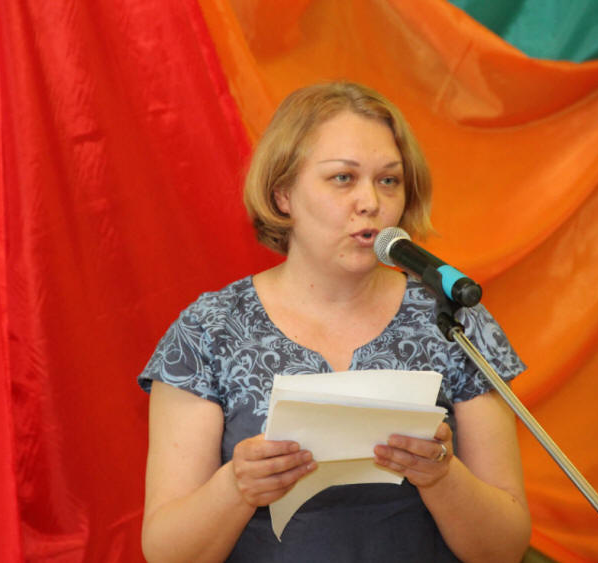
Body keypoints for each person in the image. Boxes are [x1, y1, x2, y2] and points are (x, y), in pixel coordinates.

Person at [138, 81, 531, 562]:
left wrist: (443, 476)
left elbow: (505, 548)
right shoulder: (207, 331)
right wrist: (236, 487)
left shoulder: (453, 319)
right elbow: (167, 552)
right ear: (283, 194)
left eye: (388, 180)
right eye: (343, 178)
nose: (370, 202)